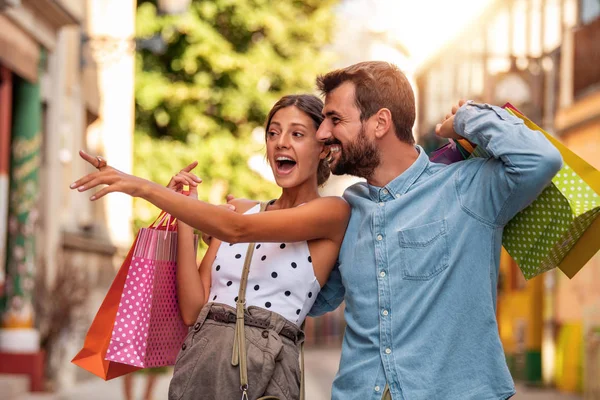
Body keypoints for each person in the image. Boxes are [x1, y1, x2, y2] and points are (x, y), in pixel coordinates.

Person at [308, 61, 563, 400]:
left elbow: (541, 159)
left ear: (381, 122)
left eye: (335, 119)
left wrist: (468, 118)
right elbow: (311, 300)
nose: (322, 133)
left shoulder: (467, 189)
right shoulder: (345, 212)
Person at [70, 94, 350, 400]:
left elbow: (236, 230)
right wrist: (184, 213)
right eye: (273, 133)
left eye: (297, 134)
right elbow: (192, 310)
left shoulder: (331, 212)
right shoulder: (239, 210)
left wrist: (142, 187)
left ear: (322, 148)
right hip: (200, 365)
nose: (281, 142)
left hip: (267, 373)